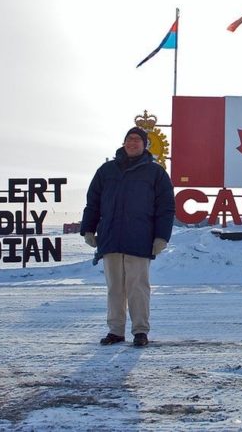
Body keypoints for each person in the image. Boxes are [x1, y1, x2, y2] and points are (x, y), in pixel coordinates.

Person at [80, 126, 175, 347]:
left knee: (138, 287)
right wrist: (88, 229)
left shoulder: (156, 173)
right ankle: (115, 331)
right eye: (129, 139)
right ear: (124, 143)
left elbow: (166, 207)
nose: (132, 143)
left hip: (140, 238)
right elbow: (93, 202)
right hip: (111, 238)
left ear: (145, 145)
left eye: (137, 140)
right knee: (115, 288)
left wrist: (161, 237)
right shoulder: (106, 171)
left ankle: (140, 331)